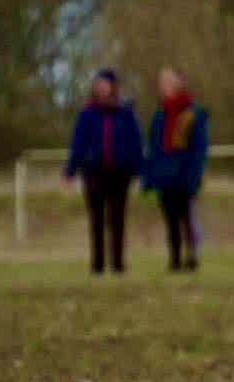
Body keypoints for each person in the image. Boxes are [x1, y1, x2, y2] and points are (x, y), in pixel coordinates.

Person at [64, 68, 144, 275]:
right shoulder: (86, 114)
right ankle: (97, 265)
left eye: (104, 83)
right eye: (98, 83)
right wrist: (70, 169)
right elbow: (78, 144)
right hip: (93, 172)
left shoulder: (125, 113)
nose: (101, 87)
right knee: (96, 220)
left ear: (113, 86)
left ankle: (118, 264)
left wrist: (139, 168)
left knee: (117, 220)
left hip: (120, 172)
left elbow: (135, 142)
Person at [143, 67, 210, 272]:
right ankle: (174, 258)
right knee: (170, 220)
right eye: (162, 83)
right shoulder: (159, 116)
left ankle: (192, 255)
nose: (165, 87)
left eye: (169, 82)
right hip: (165, 177)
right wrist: (150, 175)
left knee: (187, 217)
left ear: (179, 84)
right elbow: (154, 149)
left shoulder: (193, 114)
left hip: (184, 175)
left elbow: (198, 148)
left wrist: (193, 176)